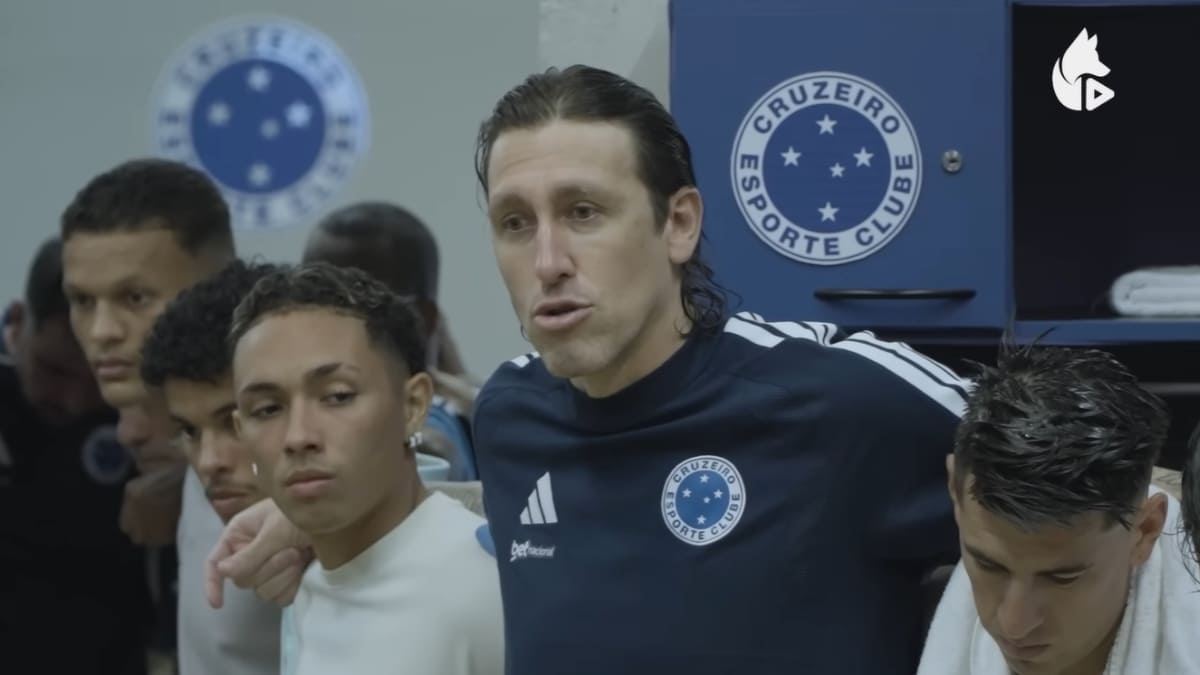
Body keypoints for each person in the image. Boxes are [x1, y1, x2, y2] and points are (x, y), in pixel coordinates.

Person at [208, 65, 966, 674]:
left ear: (678, 223)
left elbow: (1067, 476)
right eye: (515, 223)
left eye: (583, 213)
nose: (546, 262)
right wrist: (310, 509)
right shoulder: (512, 410)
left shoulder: (835, 400)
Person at [226, 262, 504, 674]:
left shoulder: (487, 588)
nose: (298, 436)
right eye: (267, 409)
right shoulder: (306, 589)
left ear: (413, 406)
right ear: (241, 430)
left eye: (337, 396)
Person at [60, 157, 277, 675]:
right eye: (82, 301)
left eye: (135, 297)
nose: (102, 330)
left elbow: (422, 454)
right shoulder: (183, 451)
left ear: (219, 282)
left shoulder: (299, 430)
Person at [918, 345, 1200, 675]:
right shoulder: (898, 621)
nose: (1014, 625)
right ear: (955, 491)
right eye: (988, 565)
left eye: (1062, 577)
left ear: (1145, 531)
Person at [0, 237, 150, 674]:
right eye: (54, 370)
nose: (74, 399)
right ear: (16, 321)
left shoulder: (153, 411)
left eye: (98, 379)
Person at [139, 259, 285, 668]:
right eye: (189, 431)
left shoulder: (386, 522)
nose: (209, 462)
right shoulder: (214, 481)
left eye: (236, 422)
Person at [302, 201, 476, 479]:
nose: (323, 326)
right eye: (310, 303)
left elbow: (433, 449)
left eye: (353, 307)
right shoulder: (472, 407)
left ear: (422, 318)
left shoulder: (427, 429)